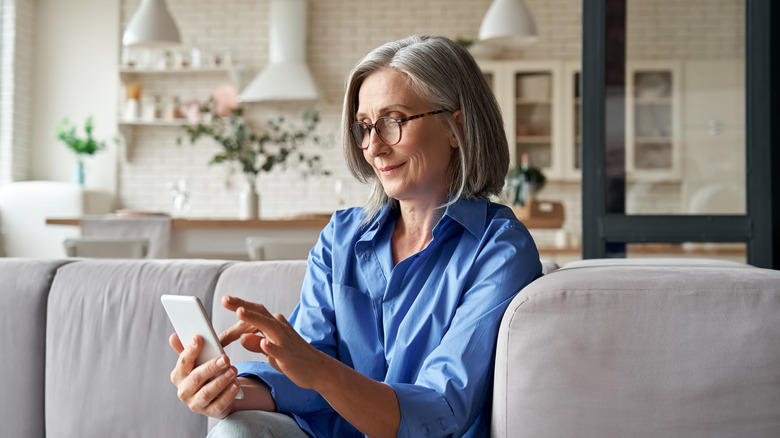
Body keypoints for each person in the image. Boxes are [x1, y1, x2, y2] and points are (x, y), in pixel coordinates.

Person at [169, 35, 542, 438]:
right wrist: (228, 390)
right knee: (233, 428)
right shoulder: (341, 237)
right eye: (364, 127)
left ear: (457, 127)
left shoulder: (500, 248)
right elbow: (306, 378)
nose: (373, 147)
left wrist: (319, 372)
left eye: (393, 121)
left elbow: (441, 410)